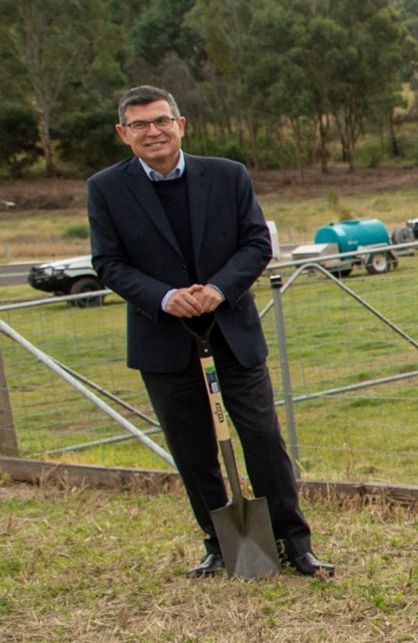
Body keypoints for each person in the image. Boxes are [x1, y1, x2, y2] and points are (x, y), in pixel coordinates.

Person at [86, 85, 331, 578]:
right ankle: (221, 544)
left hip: (231, 333)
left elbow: (255, 244)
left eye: (161, 120)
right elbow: (108, 262)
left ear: (181, 124)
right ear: (123, 134)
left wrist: (219, 290)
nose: (152, 131)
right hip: (164, 341)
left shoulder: (227, 175)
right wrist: (164, 296)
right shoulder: (106, 189)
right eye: (139, 124)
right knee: (193, 449)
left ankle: (293, 543)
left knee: (262, 439)